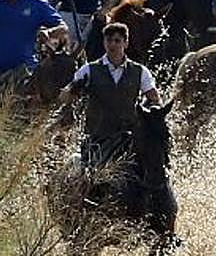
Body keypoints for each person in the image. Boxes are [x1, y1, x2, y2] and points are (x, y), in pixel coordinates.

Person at [61, 21, 161, 168]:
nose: (112, 45)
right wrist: (73, 90)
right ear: (104, 43)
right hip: (97, 138)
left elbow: (154, 99)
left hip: (129, 138)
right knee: (85, 173)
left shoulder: (140, 71)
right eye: (109, 40)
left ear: (126, 43)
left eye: (117, 41)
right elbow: (65, 97)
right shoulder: (88, 70)